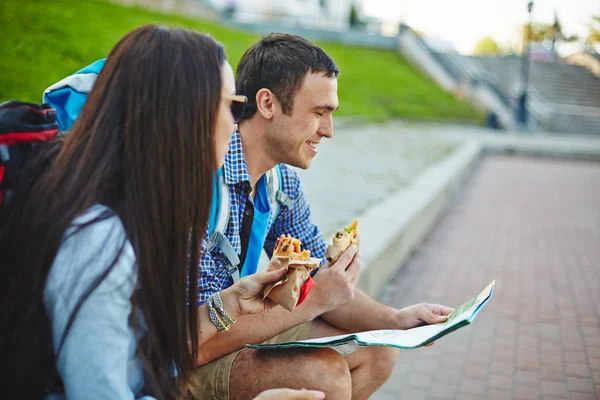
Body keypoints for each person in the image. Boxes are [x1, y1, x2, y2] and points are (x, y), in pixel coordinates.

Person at [0, 25, 323, 400]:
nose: (237, 122)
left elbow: (146, 358)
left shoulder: (136, 210)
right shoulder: (100, 239)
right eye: (231, 105)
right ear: (182, 116)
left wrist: (230, 302)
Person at [190, 33, 454, 400]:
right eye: (318, 113)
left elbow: (319, 279)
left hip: (232, 330)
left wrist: (396, 320)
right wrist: (314, 302)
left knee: (378, 352)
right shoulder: (202, 181)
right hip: (182, 360)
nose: (328, 131)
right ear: (267, 103)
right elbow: (194, 344)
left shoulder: (281, 182)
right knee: (323, 376)